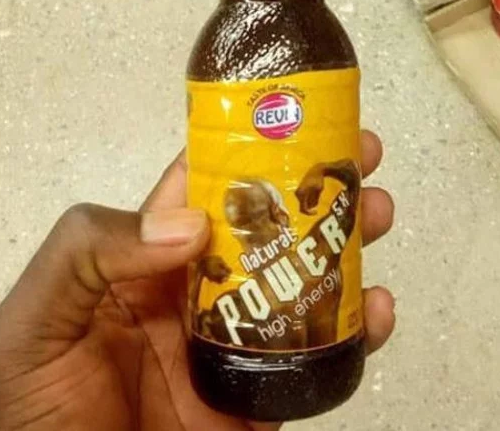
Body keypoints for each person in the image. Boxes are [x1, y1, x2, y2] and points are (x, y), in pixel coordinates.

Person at [0, 131, 395, 430]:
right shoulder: (234, 303)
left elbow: (349, 189)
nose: (258, 232)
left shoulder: (312, 264)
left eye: (259, 217)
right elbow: (348, 186)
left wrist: (320, 171)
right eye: (248, 224)